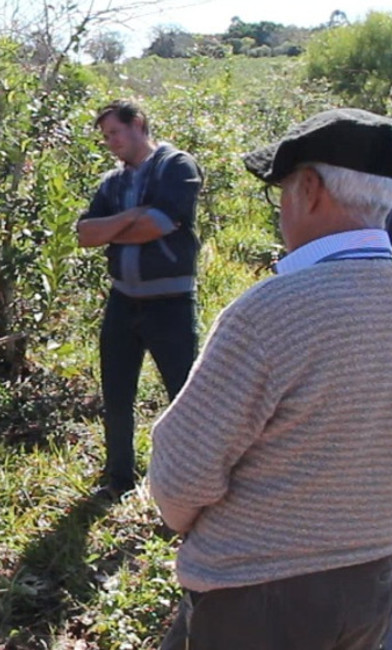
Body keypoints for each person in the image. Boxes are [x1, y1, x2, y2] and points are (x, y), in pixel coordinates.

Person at [150, 108, 392, 650]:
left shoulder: (271, 312)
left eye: (280, 191)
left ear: (309, 189)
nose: (281, 210)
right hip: (375, 581)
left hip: (257, 594)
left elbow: (182, 477)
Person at [76, 100, 202, 501]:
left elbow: (158, 224)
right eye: (106, 136)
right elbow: (83, 234)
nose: (111, 143)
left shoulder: (176, 167)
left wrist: (112, 228)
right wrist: (127, 221)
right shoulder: (112, 182)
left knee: (183, 397)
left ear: (139, 126)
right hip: (122, 300)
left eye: (115, 133)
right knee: (116, 394)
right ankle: (119, 479)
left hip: (171, 304)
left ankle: (191, 482)